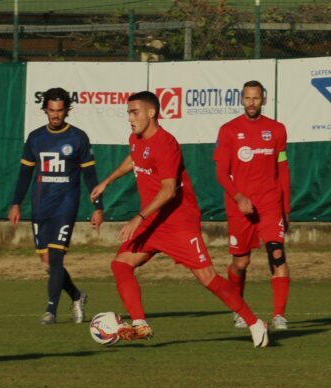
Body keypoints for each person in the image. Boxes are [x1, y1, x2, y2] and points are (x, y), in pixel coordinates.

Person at [91, 91, 269, 348]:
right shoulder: (136, 138)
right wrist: (108, 181)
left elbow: (169, 189)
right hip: (153, 222)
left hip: (178, 222)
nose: (130, 118)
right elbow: (135, 157)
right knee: (120, 265)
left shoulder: (166, 143)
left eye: (134, 112)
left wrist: (138, 218)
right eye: (128, 113)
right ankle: (140, 324)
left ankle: (254, 323)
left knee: (208, 278)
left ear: (151, 112)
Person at [8, 87, 104, 325]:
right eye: (51, 110)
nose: (55, 115)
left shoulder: (78, 138)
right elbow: (24, 174)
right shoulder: (35, 137)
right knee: (48, 264)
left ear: (67, 110)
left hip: (65, 205)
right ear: (45, 110)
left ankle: (51, 310)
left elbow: (90, 176)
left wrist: (98, 207)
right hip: (40, 206)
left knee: (56, 258)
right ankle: (77, 295)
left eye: (60, 111)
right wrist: (16, 203)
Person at [214, 80, 291, 330]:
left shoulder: (277, 130)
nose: (251, 103)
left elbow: (283, 170)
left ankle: (279, 315)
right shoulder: (228, 130)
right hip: (240, 207)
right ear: (242, 100)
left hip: (270, 202)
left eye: (256, 98)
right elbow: (221, 173)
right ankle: (239, 309)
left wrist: (286, 209)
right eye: (247, 98)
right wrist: (238, 197)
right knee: (241, 263)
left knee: (276, 253)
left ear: (264, 100)